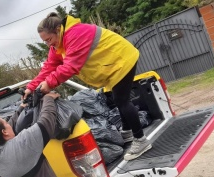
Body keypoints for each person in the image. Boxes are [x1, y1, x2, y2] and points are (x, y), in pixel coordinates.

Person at [23, 12, 152, 161]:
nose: (48, 44)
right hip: (112, 65)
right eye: (45, 42)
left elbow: (70, 66)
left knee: (122, 101)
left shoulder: (75, 34)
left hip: (121, 58)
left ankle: (141, 140)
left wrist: (49, 84)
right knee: (119, 100)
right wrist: (30, 87)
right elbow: (48, 68)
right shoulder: (58, 46)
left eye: (49, 39)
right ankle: (128, 132)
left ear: (58, 29)